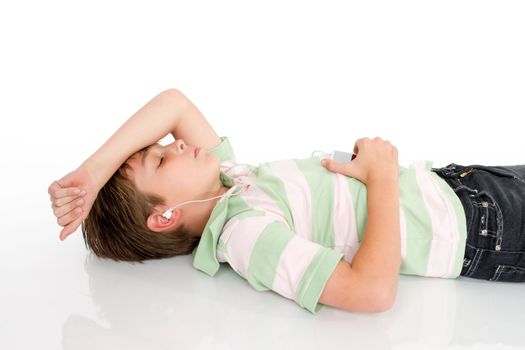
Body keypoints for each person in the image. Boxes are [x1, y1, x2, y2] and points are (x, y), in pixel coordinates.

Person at [48, 88, 525, 315]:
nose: (174, 142)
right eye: (161, 160)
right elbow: (370, 293)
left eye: (162, 146)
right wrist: (380, 178)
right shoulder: (244, 231)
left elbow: (175, 104)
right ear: (165, 216)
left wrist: (94, 171)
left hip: (463, 185)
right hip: (486, 229)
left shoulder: (233, 180)